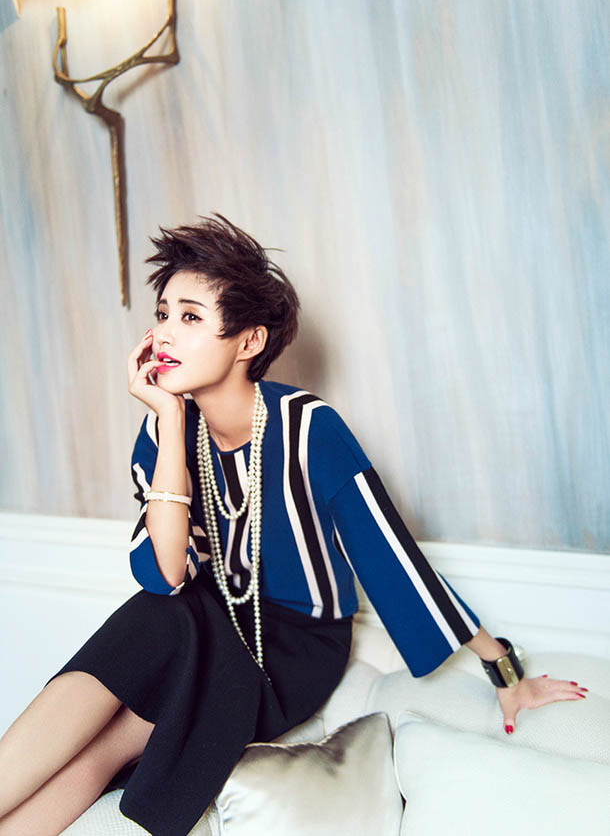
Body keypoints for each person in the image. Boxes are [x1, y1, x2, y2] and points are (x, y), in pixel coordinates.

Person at [0, 214, 588, 836]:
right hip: (199, 616)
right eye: (163, 313)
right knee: (127, 689)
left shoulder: (308, 427)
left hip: (291, 647)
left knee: (141, 677)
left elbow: (389, 554)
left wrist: (504, 670)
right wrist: (170, 423)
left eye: (191, 317)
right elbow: (167, 573)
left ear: (248, 342)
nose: (164, 333)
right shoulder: (164, 430)